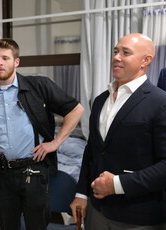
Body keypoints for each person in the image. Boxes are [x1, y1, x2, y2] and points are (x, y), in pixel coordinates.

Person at [0, 38, 84, 230]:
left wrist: (55, 143)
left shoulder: (39, 86)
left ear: (16, 62)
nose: (0, 63)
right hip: (1, 175)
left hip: (35, 172)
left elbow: (76, 110)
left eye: (5, 58)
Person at [70, 33, 166, 229]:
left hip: (138, 215)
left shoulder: (160, 102)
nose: (116, 57)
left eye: (125, 52)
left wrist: (117, 184)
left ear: (145, 60)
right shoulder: (100, 100)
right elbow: (93, 151)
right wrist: (81, 194)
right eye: (115, 51)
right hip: (97, 211)